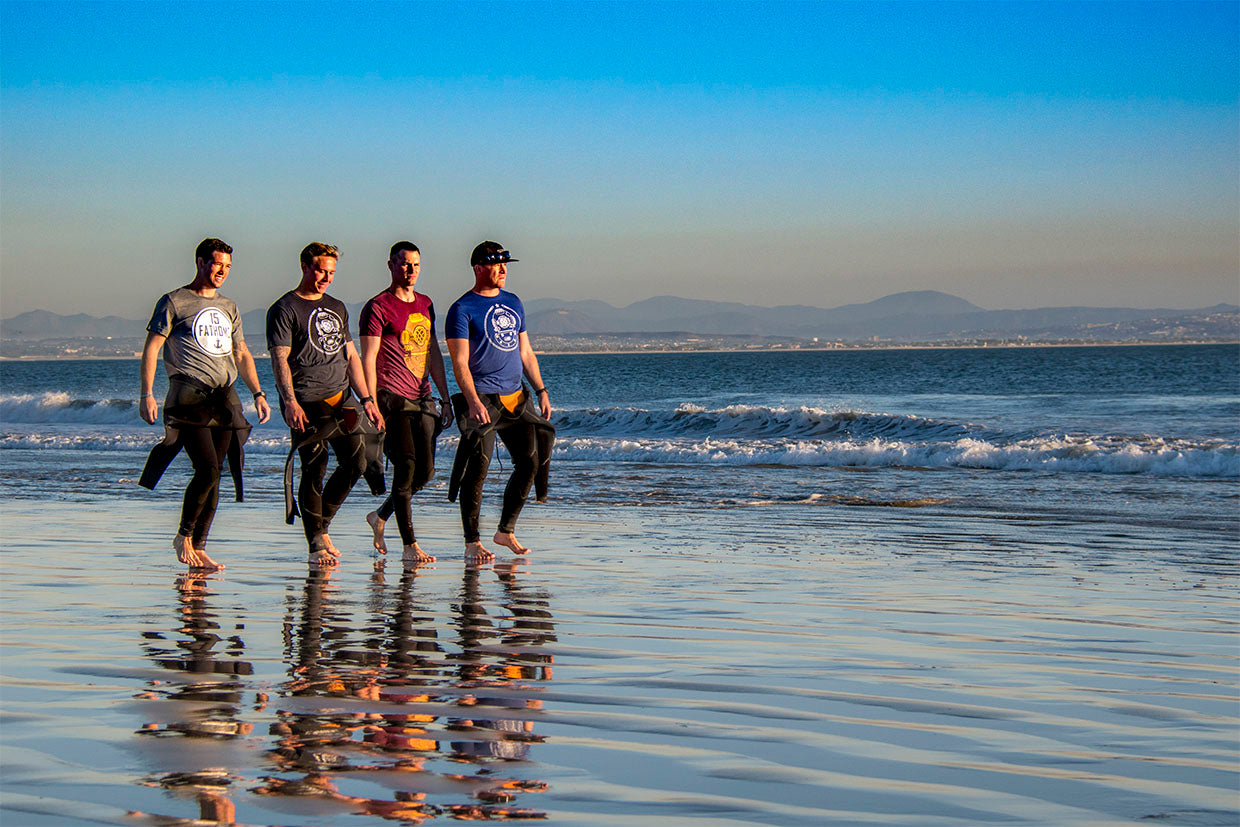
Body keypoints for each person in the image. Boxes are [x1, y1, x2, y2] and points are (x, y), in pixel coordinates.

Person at [139, 237, 272, 571]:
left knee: (218, 473)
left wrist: (258, 393)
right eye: (216, 264)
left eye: (227, 267)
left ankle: (198, 547)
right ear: (200, 262)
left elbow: (240, 353)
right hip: (188, 396)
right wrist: (147, 394)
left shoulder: (229, 306)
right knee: (207, 469)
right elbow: (153, 348)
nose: (221, 272)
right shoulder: (174, 301)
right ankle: (183, 536)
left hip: (224, 397)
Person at [267, 242, 383, 567]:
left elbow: (351, 356)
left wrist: (367, 399)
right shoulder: (284, 308)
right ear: (304, 266)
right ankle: (316, 542)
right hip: (307, 401)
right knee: (314, 469)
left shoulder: (337, 306)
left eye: (331, 272)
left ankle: (322, 525)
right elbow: (280, 360)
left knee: (357, 463)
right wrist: (289, 401)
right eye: (320, 270)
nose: (325, 278)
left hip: (342, 398)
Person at [445, 241, 554, 564]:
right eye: (496, 264)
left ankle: (505, 530)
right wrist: (472, 400)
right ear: (478, 267)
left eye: (506, 264)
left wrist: (541, 389)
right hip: (483, 399)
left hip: (516, 397)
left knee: (530, 461)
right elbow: (459, 362)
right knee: (478, 469)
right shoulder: (462, 309)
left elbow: (525, 351)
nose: (503, 270)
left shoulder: (513, 302)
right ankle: (472, 541)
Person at [360, 241, 453, 567]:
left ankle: (380, 516)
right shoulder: (378, 307)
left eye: (415, 264)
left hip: (423, 397)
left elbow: (433, 353)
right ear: (390, 266)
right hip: (391, 399)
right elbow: (368, 359)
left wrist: (445, 397)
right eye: (404, 264)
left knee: (425, 473)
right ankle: (410, 545)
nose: (410, 270)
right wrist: (370, 402)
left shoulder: (426, 304)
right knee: (407, 466)